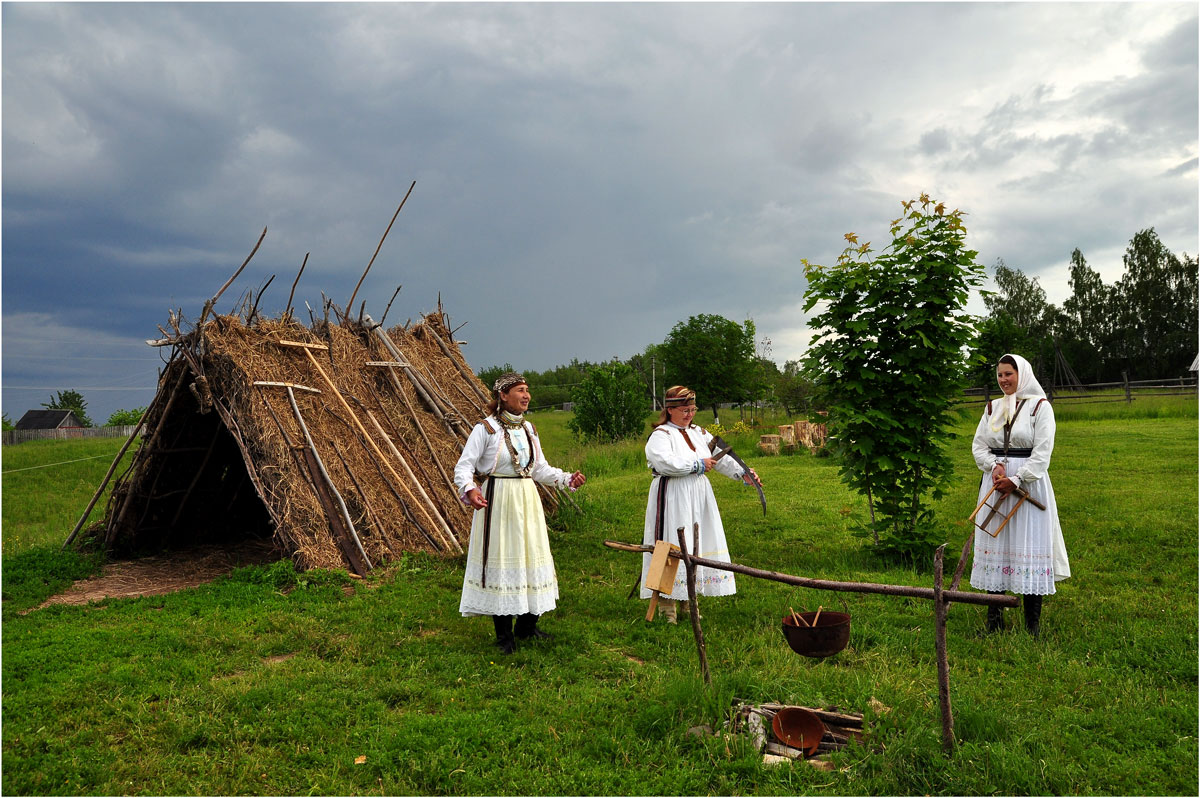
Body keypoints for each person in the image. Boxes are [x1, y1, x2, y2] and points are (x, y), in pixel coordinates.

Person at [454, 372, 586, 654]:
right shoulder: (486, 429)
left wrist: (566, 479)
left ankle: (527, 628)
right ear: (503, 396)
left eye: (528, 390)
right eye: (520, 390)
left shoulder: (529, 429)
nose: (527, 396)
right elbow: (463, 467)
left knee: (530, 557)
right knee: (503, 560)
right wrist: (471, 489)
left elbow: (539, 469)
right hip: (498, 500)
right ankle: (505, 638)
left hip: (527, 501)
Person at [639, 385, 761, 623]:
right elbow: (664, 462)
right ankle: (668, 606)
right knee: (671, 543)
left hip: (698, 493)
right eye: (685, 410)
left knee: (696, 543)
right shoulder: (661, 435)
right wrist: (696, 465)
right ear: (670, 410)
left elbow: (721, 456)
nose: (689, 414)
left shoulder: (699, 433)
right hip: (672, 493)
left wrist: (742, 472)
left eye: (693, 409)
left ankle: (688, 600)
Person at [969, 353, 1070, 636]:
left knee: (1028, 545)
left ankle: (1032, 627)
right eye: (1000, 375)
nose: (1004, 380)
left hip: (1028, 483)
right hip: (996, 482)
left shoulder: (1040, 407)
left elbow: (1042, 454)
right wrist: (995, 466)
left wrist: (1016, 478)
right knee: (996, 544)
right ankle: (994, 622)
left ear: (1021, 374)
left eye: (1009, 374)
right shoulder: (992, 408)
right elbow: (979, 446)